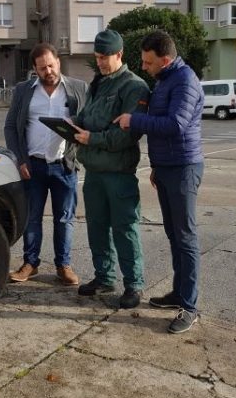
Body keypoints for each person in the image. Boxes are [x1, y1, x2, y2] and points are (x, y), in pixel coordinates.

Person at [114, 30, 204, 334]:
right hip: (167, 167)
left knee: (186, 237)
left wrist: (133, 120)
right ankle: (178, 293)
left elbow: (175, 125)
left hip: (183, 168)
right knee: (174, 235)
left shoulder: (185, 80)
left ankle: (189, 306)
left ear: (165, 60)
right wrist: (156, 165)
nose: (144, 67)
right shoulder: (166, 79)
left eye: (148, 62)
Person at [71, 29, 150, 309]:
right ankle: (104, 277)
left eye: (105, 57)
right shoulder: (99, 84)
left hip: (118, 174)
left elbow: (126, 135)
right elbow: (87, 117)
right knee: (97, 228)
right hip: (93, 172)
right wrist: (71, 125)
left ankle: (134, 284)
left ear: (120, 54)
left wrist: (93, 138)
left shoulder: (135, 86)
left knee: (124, 229)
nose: (101, 63)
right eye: (97, 57)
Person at [4, 42, 88, 286]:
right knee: (32, 218)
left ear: (58, 62)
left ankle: (63, 265)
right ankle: (31, 264)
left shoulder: (78, 88)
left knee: (64, 219)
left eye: (51, 65)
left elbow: (87, 122)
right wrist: (20, 159)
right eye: (42, 68)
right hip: (33, 166)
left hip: (64, 166)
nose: (48, 71)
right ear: (35, 69)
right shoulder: (23, 91)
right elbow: (11, 127)